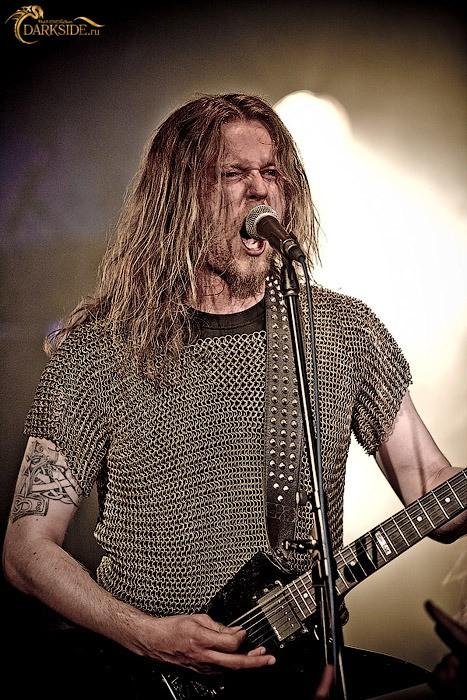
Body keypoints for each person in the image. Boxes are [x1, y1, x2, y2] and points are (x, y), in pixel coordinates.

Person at [2, 93, 466, 700]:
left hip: (302, 667)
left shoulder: (340, 333)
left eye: (271, 172)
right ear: (179, 200)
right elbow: (27, 549)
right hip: (144, 673)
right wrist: (147, 636)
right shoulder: (102, 349)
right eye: (233, 174)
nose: (260, 190)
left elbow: (432, 487)